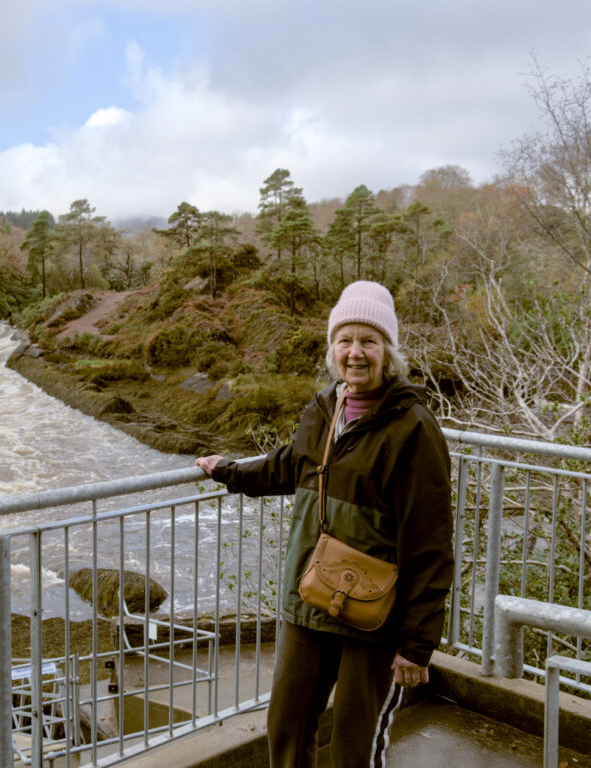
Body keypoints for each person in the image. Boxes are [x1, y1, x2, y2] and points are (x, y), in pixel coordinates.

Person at [196, 280, 453, 768]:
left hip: (375, 613)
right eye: (345, 340)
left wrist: (417, 645)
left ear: (389, 353)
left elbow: (430, 542)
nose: (355, 353)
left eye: (368, 341)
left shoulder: (413, 428)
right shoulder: (323, 409)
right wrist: (229, 471)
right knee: (287, 727)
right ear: (332, 347)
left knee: (354, 744)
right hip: (309, 595)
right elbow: (289, 466)